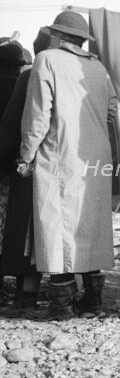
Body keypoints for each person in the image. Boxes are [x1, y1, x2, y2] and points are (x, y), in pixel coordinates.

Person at [19, 12, 118, 320]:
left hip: (60, 153)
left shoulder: (47, 59)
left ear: (57, 36)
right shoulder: (98, 66)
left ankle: (62, 305)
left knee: (57, 225)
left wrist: (26, 155)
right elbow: (113, 111)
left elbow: (38, 115)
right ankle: (93, 300)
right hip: (96, 155)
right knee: (90, 225)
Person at [0, 28, 54, 317]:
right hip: (64, 165)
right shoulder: (87, 73)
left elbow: (13, 127)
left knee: (22, 228)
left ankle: (23, 297)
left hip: (26, 164)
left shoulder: (29, 76)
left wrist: (17, 159)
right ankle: (59, 292)